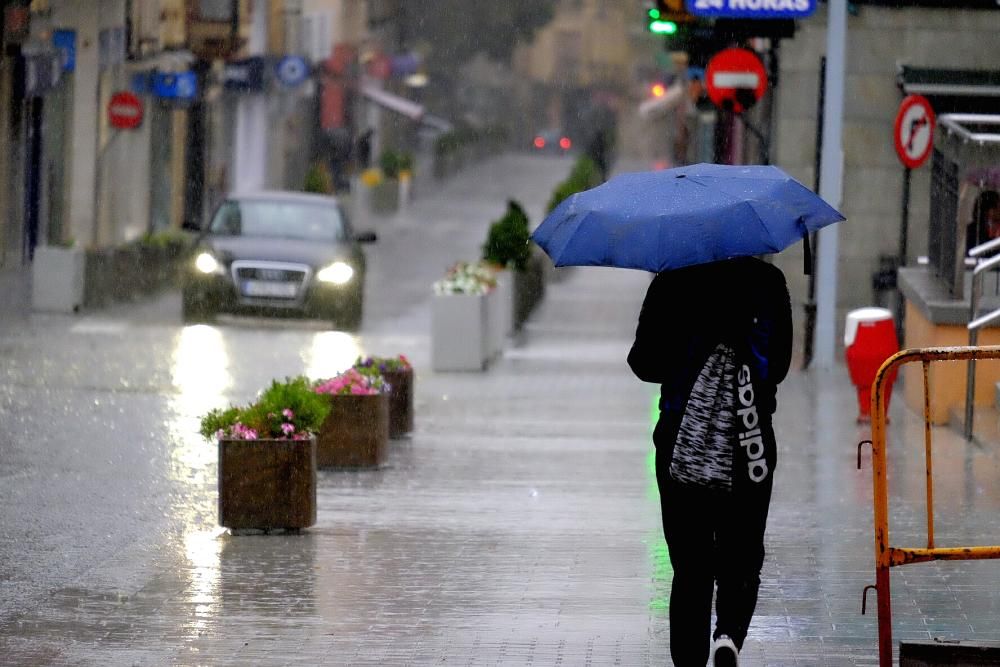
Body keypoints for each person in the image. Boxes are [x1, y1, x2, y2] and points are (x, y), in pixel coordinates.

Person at [627, 256, 792, 666]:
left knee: (691, 567)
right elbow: (781, 366)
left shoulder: (673, 280)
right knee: (742, 554)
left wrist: (688, 346)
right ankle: (728, 636)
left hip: (681, 445)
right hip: (748, 444)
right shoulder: (768, 282)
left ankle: (690, 658)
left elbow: (644, 363)